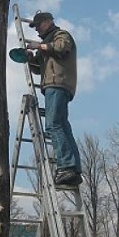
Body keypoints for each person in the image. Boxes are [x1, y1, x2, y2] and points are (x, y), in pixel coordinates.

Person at [26, 11, 82, 187]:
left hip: (57, 83)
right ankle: (74, 170)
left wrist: (40, 47)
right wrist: (29, 58)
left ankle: (66, 166)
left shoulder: (61, 35)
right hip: (54, 84)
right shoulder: (47, 42)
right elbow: (38, 68)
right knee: (63, 125)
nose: (36, 30)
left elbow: (60, 48)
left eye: (38, 25)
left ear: (48, 22)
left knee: (53, 125)